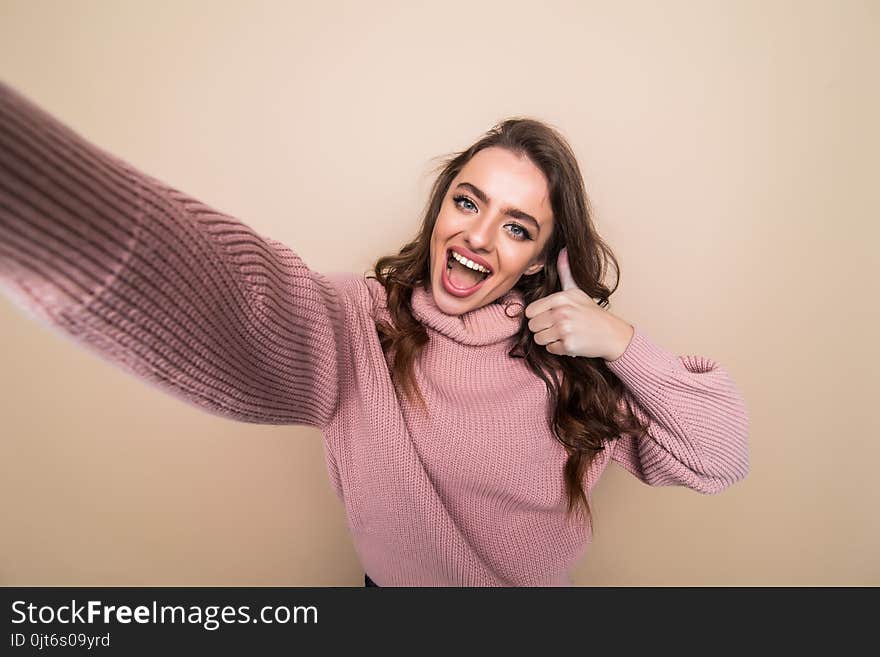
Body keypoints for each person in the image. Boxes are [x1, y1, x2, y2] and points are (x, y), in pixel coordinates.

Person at [0, 80, 750, 587]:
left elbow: (720, 456)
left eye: (516, 226)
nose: (479, 236)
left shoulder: (575, 365)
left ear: (540, 260)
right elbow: (224, 294)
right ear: (441, 207)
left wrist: (619, 340)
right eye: (468, 201)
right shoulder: (361, 328)